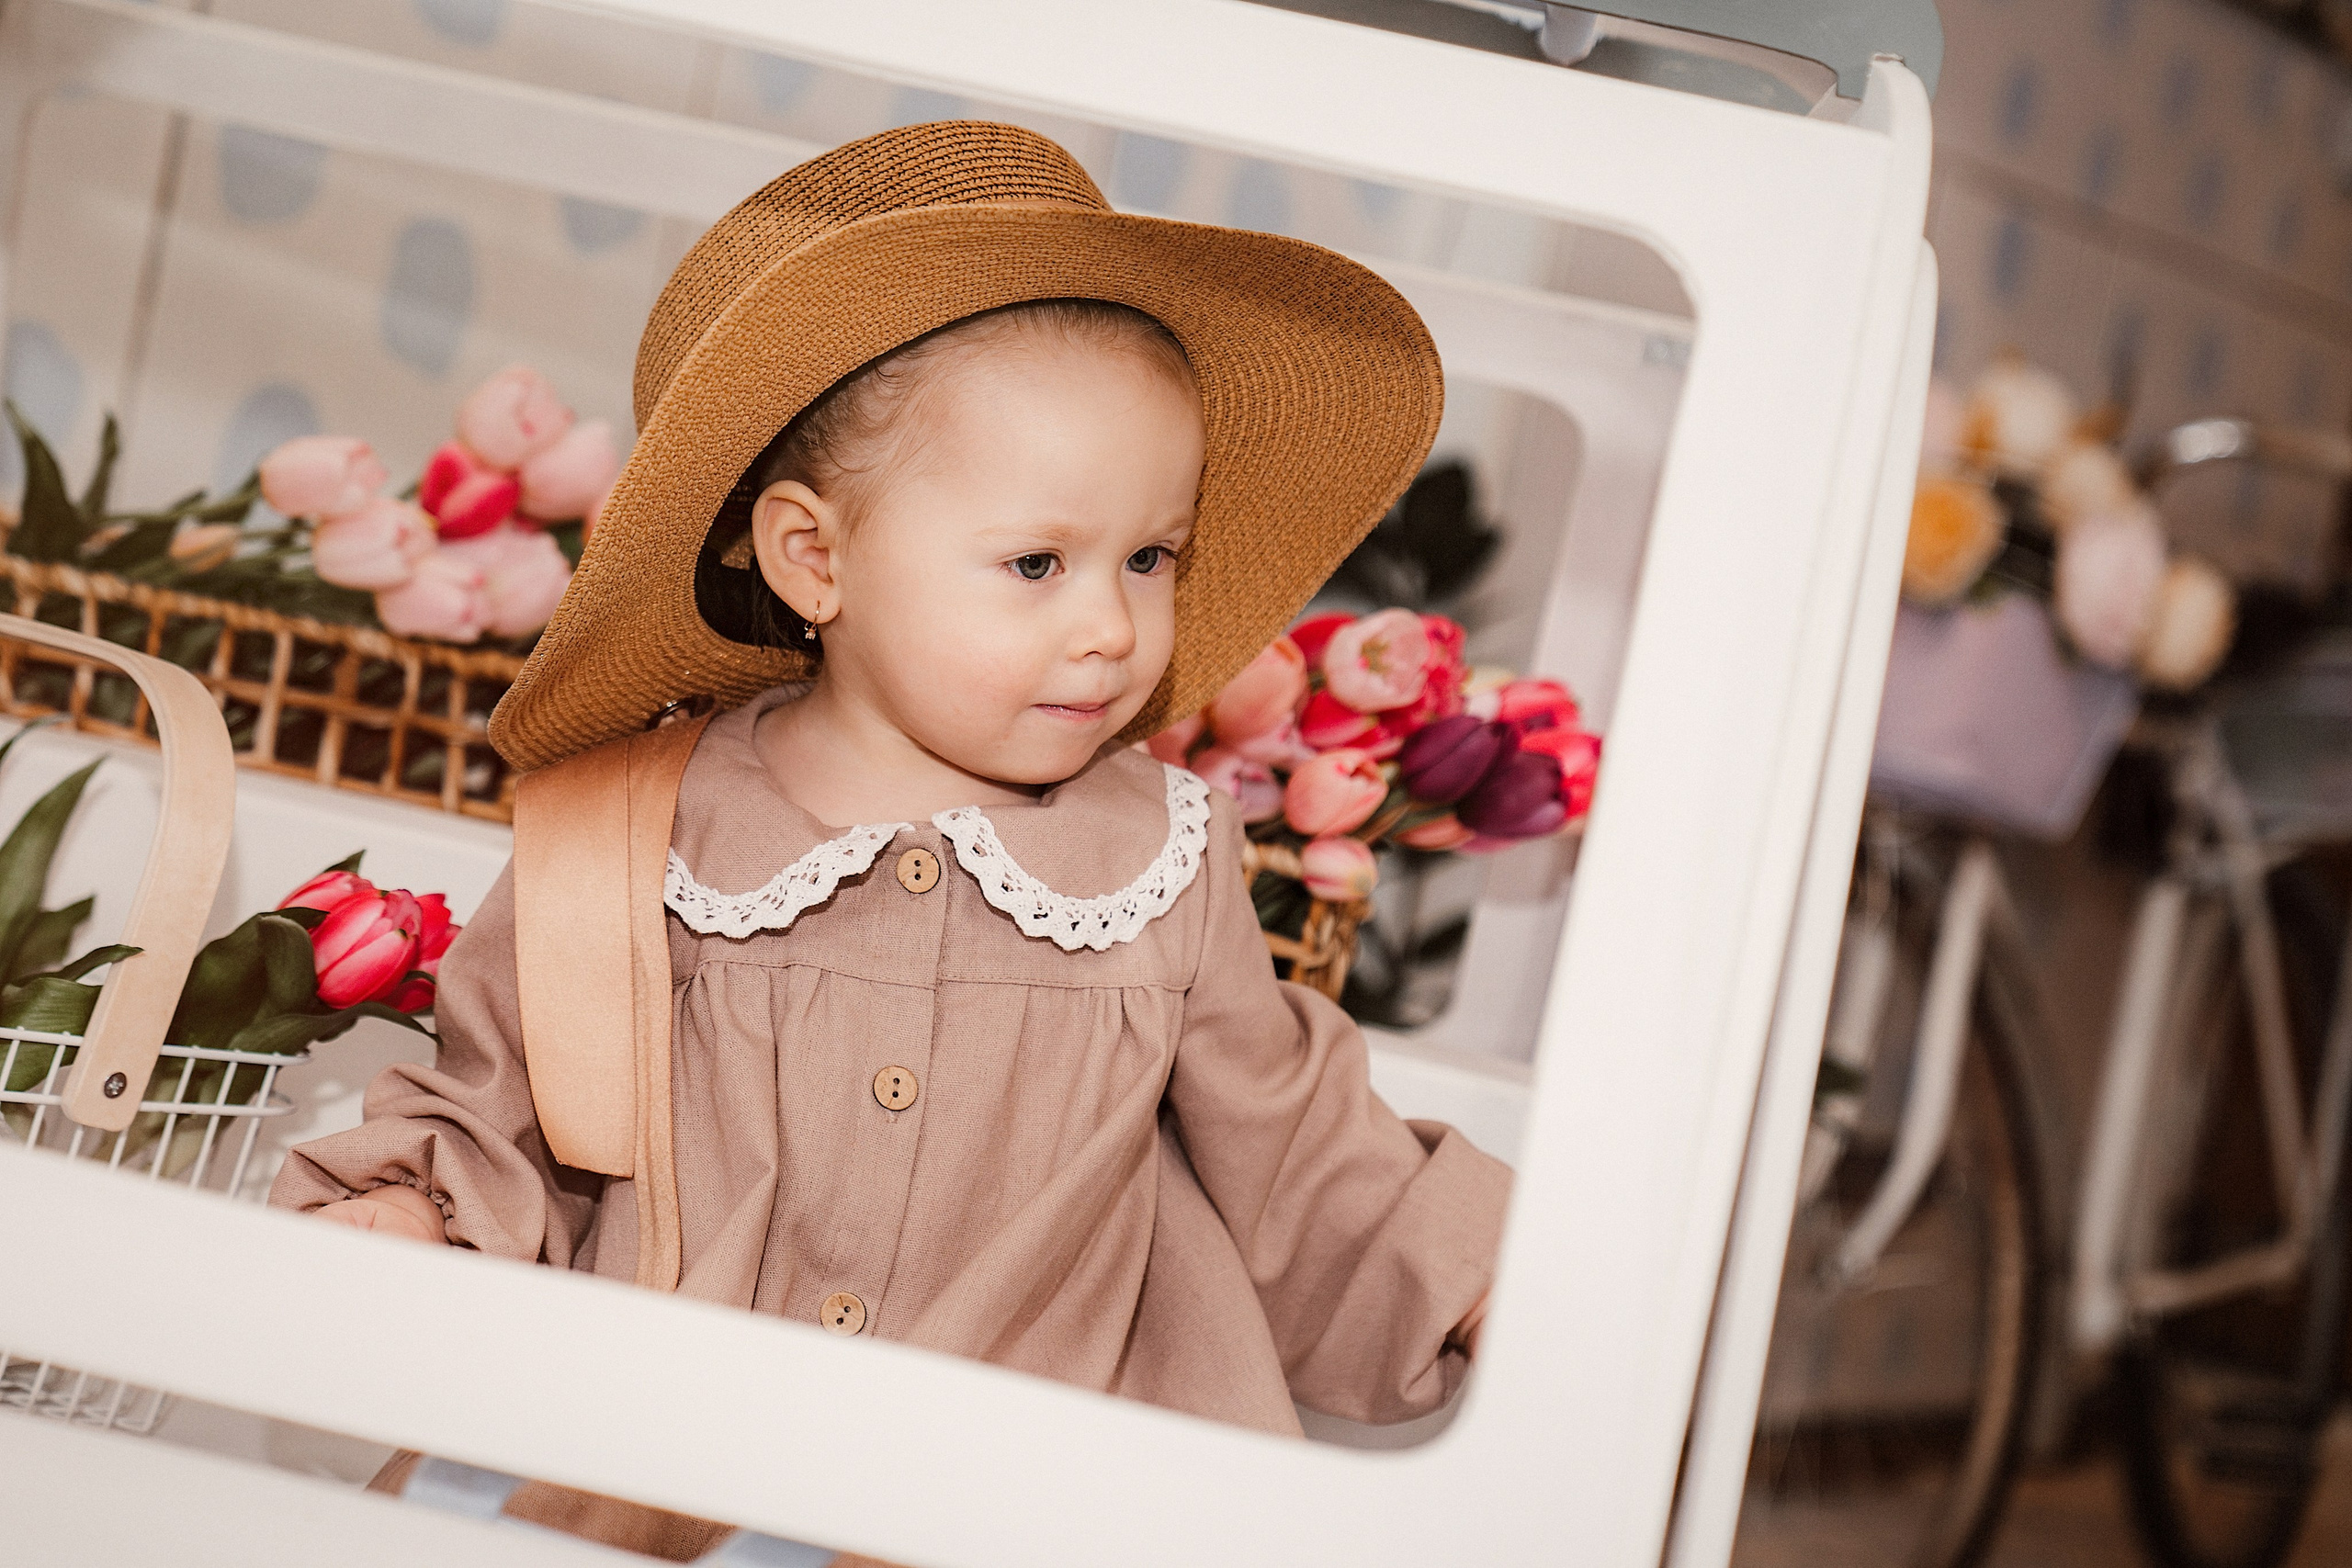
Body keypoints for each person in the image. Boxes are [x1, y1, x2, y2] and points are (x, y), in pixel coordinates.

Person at [270, 120, 1510, 1562]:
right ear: (816, 558)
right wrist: (412, 1219)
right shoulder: (640, 830)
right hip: (660, 1467)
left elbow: (1297, 1153)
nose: (1111, 627)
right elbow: (506, 1100)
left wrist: (1487, 1285)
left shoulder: (1158, 861)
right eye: (1038, 562)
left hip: (1022, 1502)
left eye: (1148, 558)